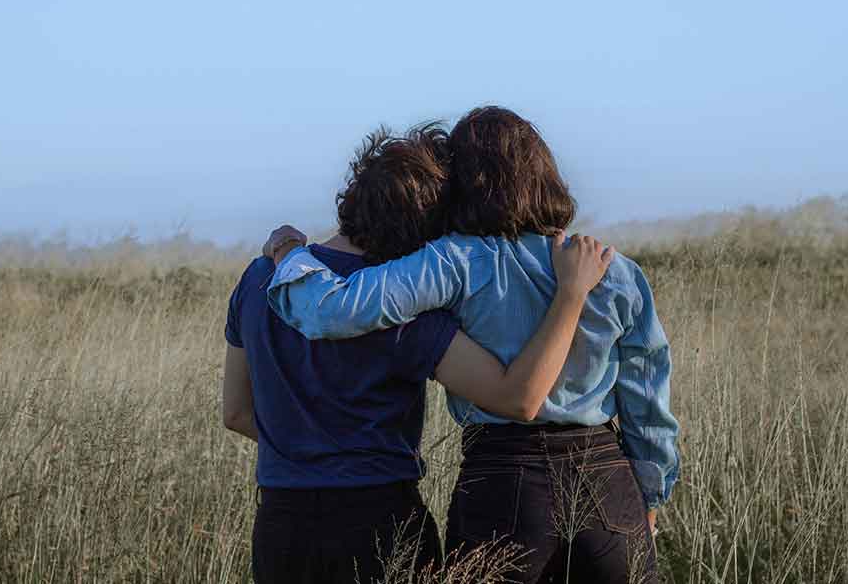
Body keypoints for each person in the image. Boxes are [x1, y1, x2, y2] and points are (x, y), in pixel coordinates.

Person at [264, 107, 679, 583]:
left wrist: (289, 254)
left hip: (504, 479)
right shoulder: (615, 270)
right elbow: (649, 404)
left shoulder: (456, 260)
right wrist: (649, 497)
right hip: (610, 483)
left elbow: (331, 311)